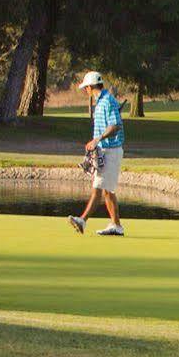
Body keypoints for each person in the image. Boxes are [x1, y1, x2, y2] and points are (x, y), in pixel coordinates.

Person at [67, 71, 126, 235]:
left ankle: (82, 220)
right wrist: (95, 144)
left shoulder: (107, 101)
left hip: (111, 150)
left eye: (86, 87)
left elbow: (115, 125)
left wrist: (97, 139)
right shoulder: (101, 101)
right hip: (103, 150)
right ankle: (116, 225)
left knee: (98, 186)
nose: (85, 90)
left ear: (91, 86)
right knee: (107, 189)